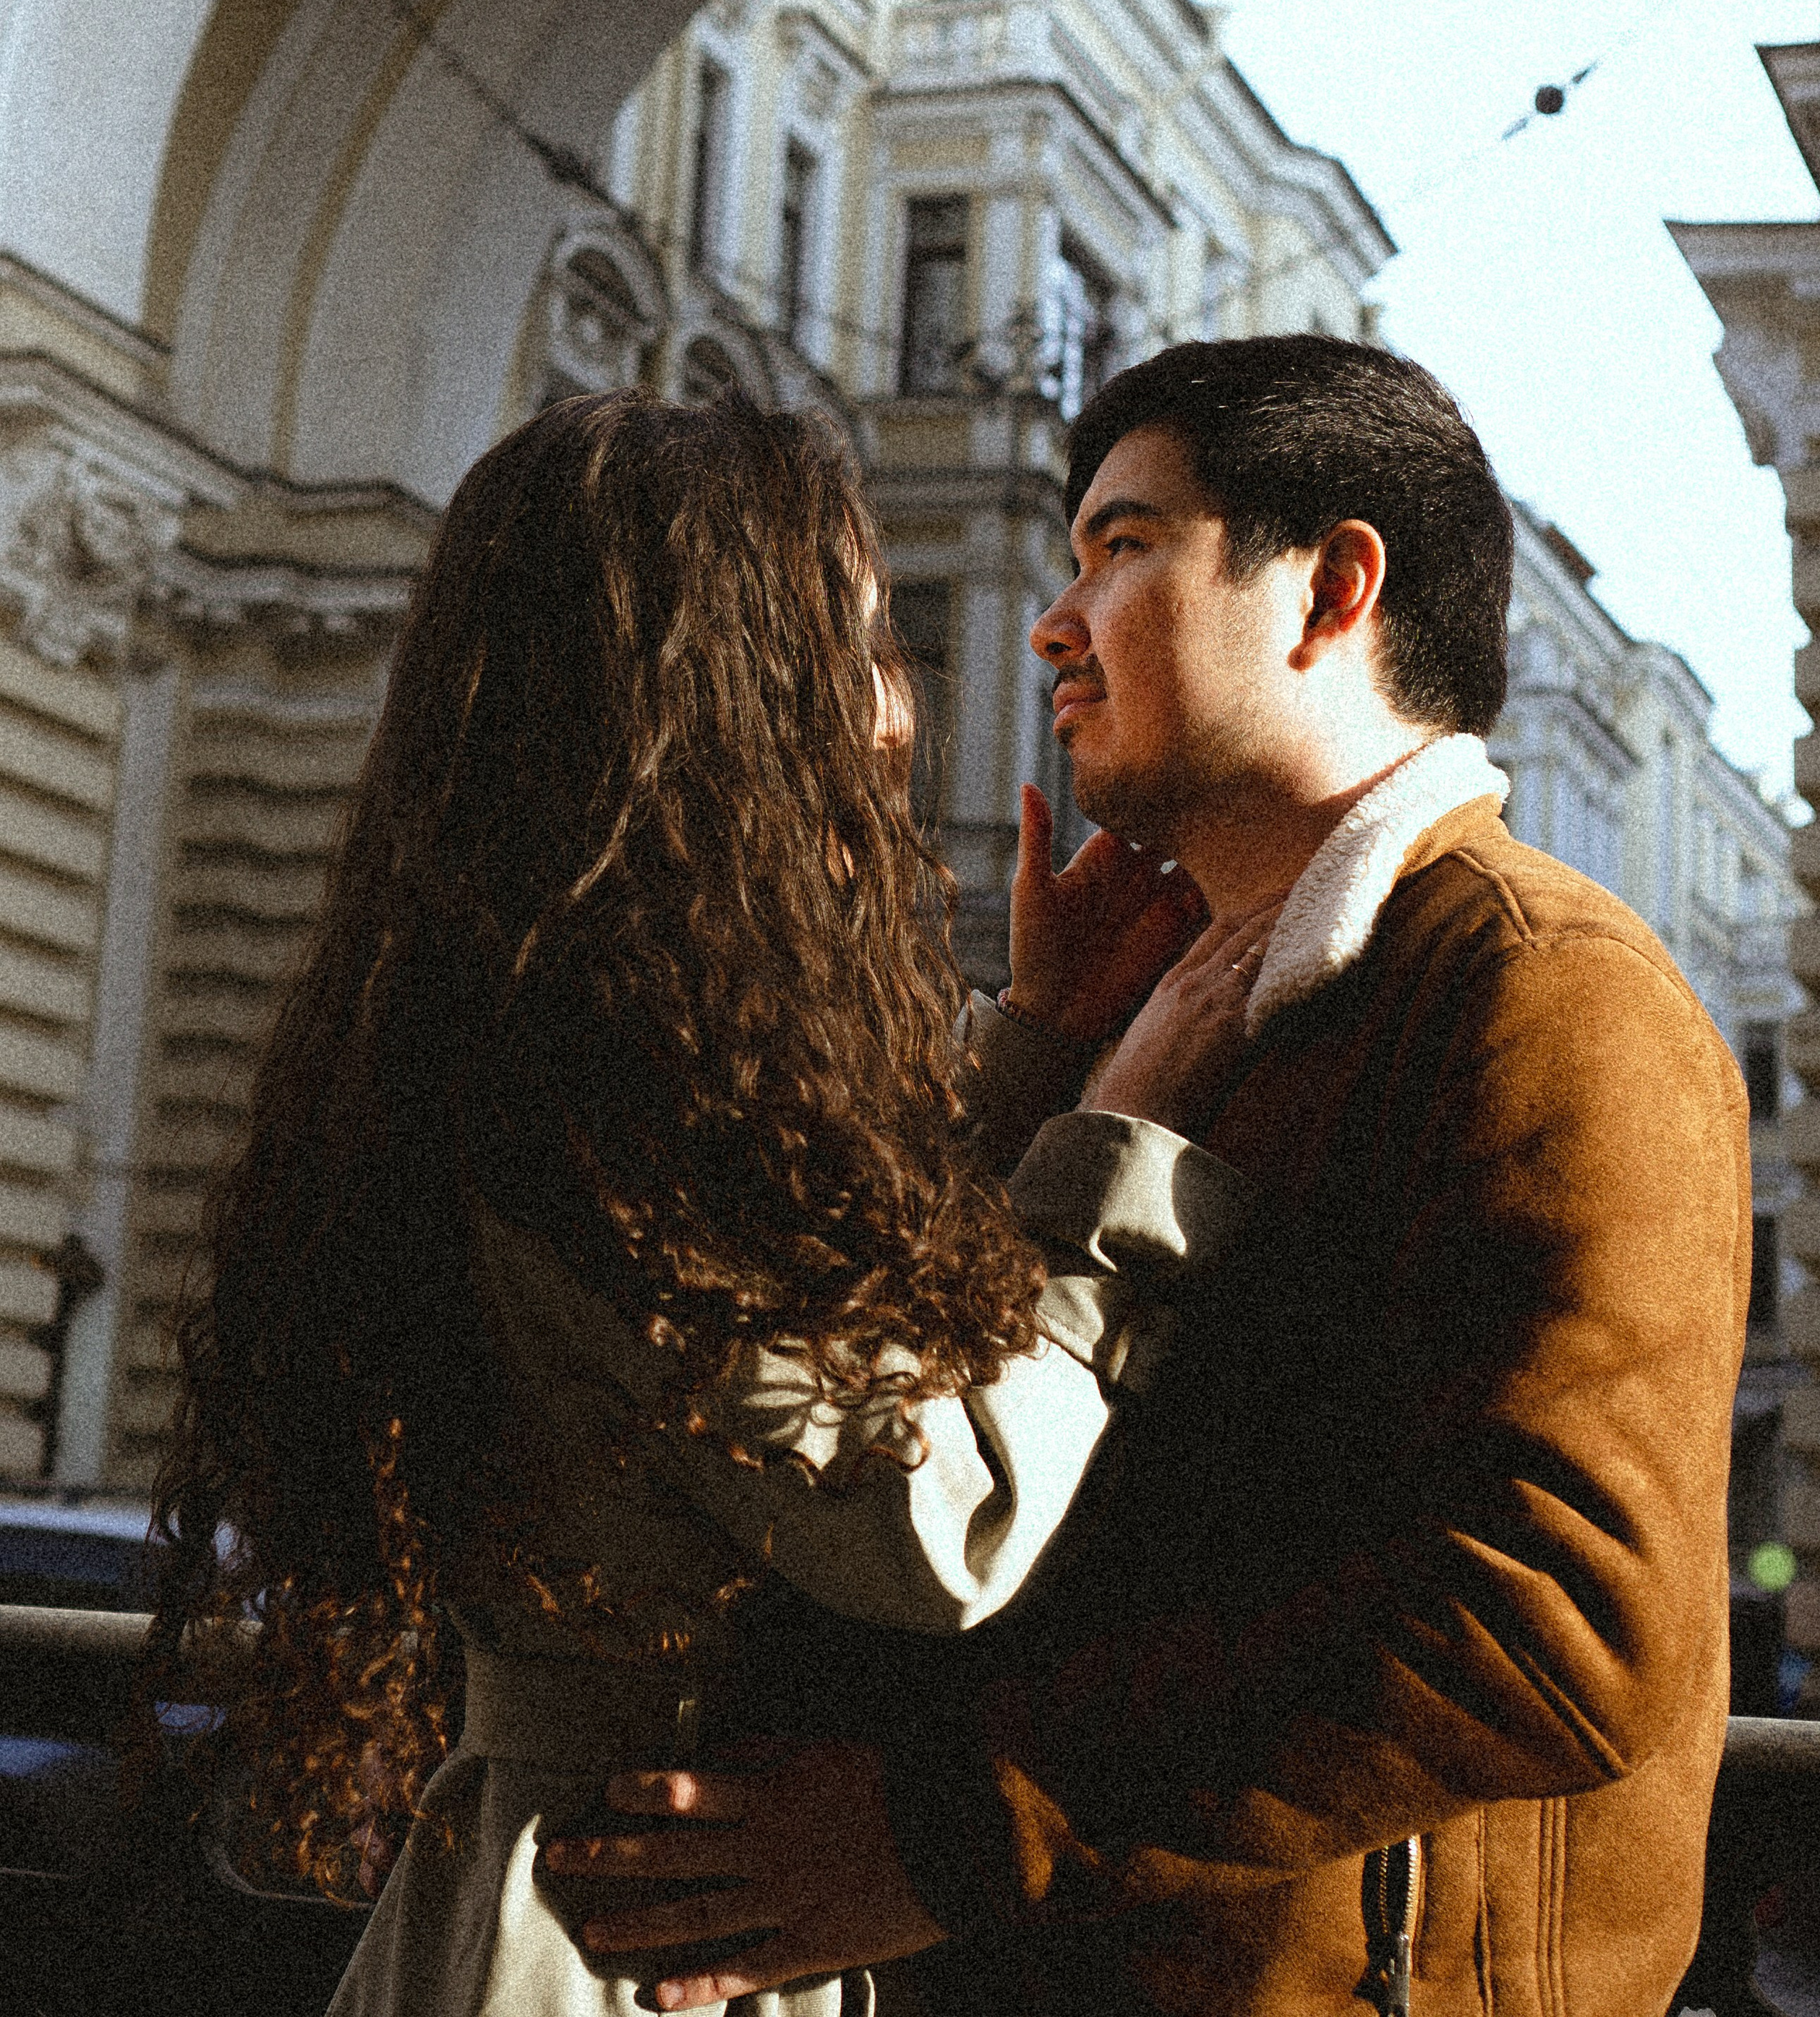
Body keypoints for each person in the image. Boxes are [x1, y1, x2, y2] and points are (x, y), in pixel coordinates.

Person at [552, 335, 1751, 2017]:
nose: (1052, 622)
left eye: (1122, 547)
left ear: (1331, 590)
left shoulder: (1538, 986)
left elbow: (1551, 1620)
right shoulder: (1187, 1005)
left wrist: (952, 1831)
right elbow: (909, 1435)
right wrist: (1043, 1052)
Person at [142, 388, 1263, 2017]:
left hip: (580, 1895)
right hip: (632, 1932)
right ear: (724, 691)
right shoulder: (616, 1074)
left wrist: (1024, 1053)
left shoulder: (537, 1015)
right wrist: (1124, 1131)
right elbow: (929, 1520)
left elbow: (783, 1326)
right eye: (868, 652)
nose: (896, 716)